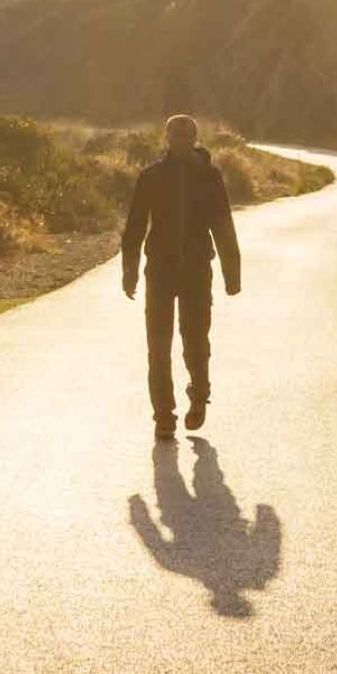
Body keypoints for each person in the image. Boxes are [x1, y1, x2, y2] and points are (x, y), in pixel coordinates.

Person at [121, 114, 241, 442]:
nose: (181, 141)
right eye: (176, 136)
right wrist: (129, 269)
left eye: (187, 136)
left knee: (195, 341)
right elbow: (135, 225)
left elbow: (223, 225)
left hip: (196, 271)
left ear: (195, 139)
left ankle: (199, 394)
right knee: (158, 347)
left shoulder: (210, 177)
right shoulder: (151, 177)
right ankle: (163, 416)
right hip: (159, 271)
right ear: (166, 138)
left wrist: (233, 272)